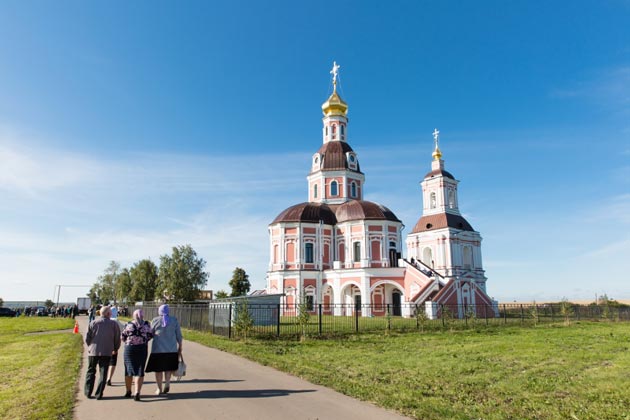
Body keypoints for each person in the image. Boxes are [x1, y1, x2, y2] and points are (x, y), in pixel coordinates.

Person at [84, 305, 121, 400]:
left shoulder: (93, 323)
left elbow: (87, 338)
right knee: (103, 373)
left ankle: (88, 392)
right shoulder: (114, 324)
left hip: (93, 351)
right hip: (107, 351)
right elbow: (117, 338)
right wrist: (116, 348)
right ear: (108, 313)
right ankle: (99, 393)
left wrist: (90, 346)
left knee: (91, 371)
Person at [146, 304, 182, 395]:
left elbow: (151, 333)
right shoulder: (174, 320)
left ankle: (159, 388)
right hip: (171, 349)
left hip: (158, 350)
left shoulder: (155, 320)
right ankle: (167, 383)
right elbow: (179, 335)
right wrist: (180, 347)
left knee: (158, 371)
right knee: (168, 369)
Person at [121, 309, 153, 401]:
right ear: (142, 316)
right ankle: (137, 392)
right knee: (139, 370)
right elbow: (150, 335)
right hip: (142, 348)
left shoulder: (129, 324)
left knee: (128, 370)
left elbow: (123, 337)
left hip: (129, 349)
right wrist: (143, 340)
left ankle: (128, 391)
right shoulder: (147, 325)